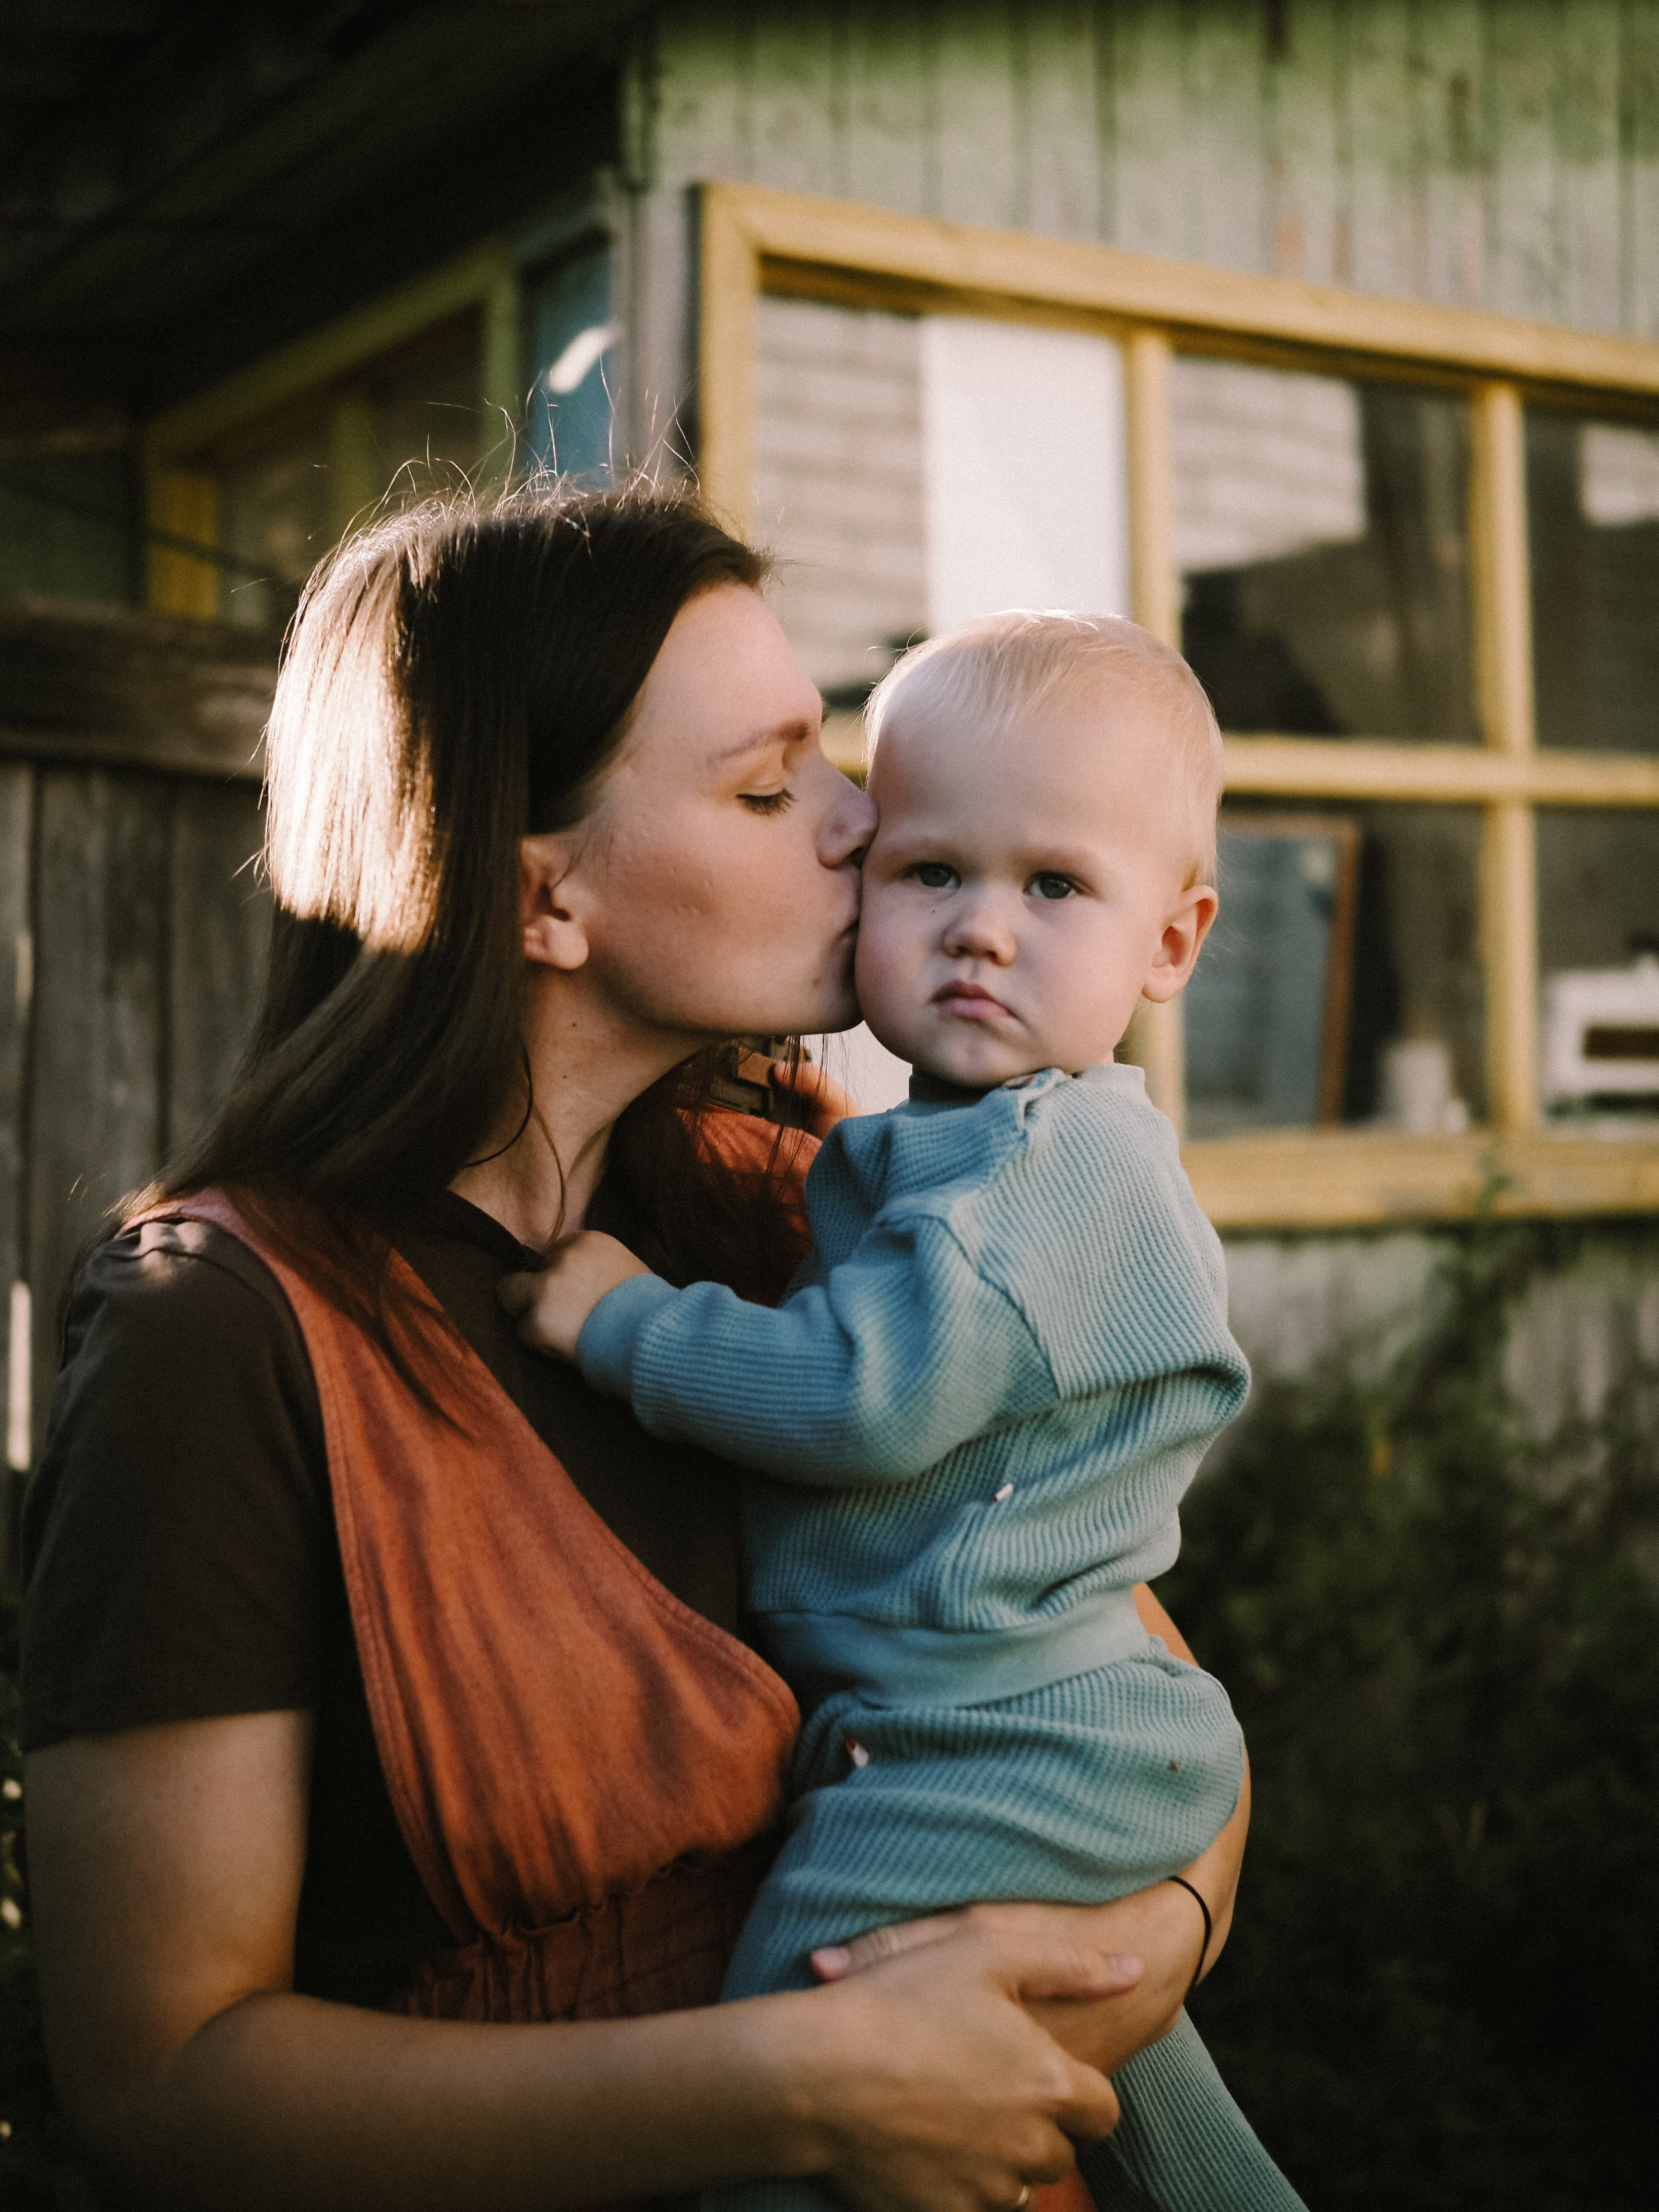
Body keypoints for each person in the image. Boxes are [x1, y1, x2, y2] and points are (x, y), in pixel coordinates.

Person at [21, 489, 1253, 2212]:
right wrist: (803, 2087)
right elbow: (158, 2081)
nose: (861, 822)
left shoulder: (793, 1195)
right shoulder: (220, 1335)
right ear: (545, 898)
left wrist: (1155, 1927)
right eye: (769, 786)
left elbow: (1120, 1677)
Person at [505, 609, 1303, 2212]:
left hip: (989, 1745)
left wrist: (629, 1324)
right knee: (1142, 2105)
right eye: (930, 871)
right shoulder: (955, 1144)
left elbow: (862, 1399)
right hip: (1032, 1721)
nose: (980, 932)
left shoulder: (1042, 1168)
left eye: (1053, 886)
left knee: (809, 2050)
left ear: (1169, 945)